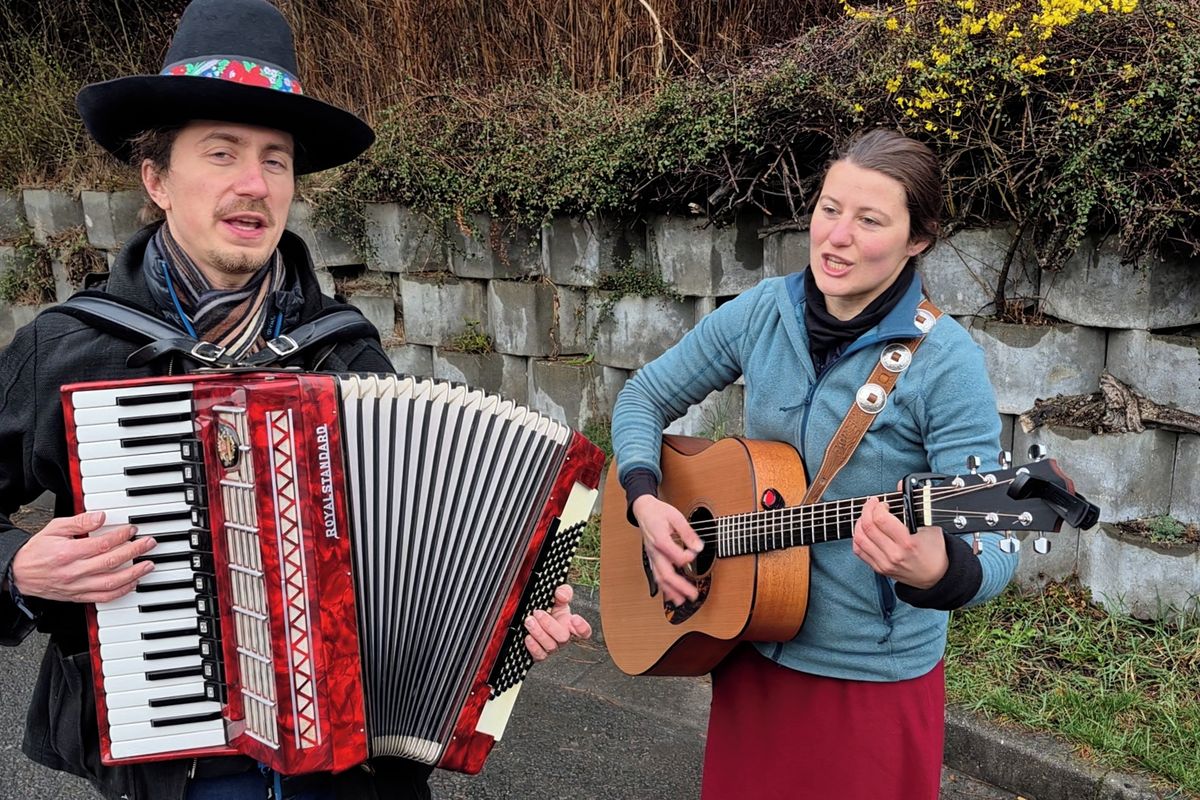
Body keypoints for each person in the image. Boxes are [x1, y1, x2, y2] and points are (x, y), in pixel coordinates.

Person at [0, 1, 590, 799]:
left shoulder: (345, 350)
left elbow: (436, 553)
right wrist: (18, 566)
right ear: (157, 179)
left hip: (357, 769)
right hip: (178, 772)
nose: (253, 183)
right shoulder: (72, 348)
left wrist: (513, 615)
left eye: (275, 160)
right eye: (222, 152)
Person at [611, 129, 1019, 800]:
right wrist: (645, 500)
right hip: (749, 642)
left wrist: (943, 569)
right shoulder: (763, 312)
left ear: (918, 239)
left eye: (870, 221)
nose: (837, 237)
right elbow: (643, 396)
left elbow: (997, 538)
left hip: (868, 681)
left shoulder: (947, 364)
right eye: (829, 209)